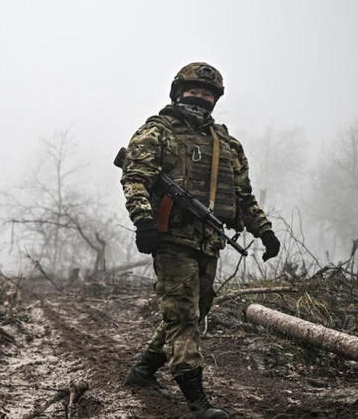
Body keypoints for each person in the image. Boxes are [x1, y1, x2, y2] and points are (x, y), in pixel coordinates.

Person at [119, 62, 280, 418]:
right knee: (183, 317)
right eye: (193, 91)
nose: (200, 98)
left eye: (207, 94)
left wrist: (265, 231)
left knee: (196, 309)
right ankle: (197, 400)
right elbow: (135, 178)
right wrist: (144, 221)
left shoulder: (227, 144)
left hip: (209, 241)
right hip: (172, 239)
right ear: (178, 93)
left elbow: (243, 197)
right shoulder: (157, 131)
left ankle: (143, 370)